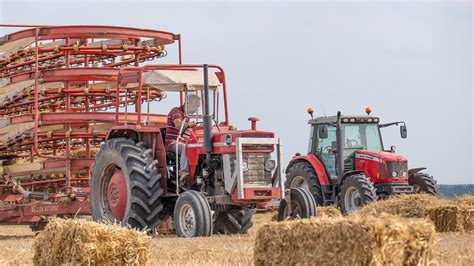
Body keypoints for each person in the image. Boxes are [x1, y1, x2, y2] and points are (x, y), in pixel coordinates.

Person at [165, 94, 201, 182]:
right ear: (188, 103)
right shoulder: (176, 112)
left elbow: (190, 131)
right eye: (196, 106)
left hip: (183, 142)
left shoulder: (186, 117)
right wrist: (188, 125)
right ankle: (183, 172)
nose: (197, 109)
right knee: (186, 148)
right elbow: (178, 124)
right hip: (172, 143)